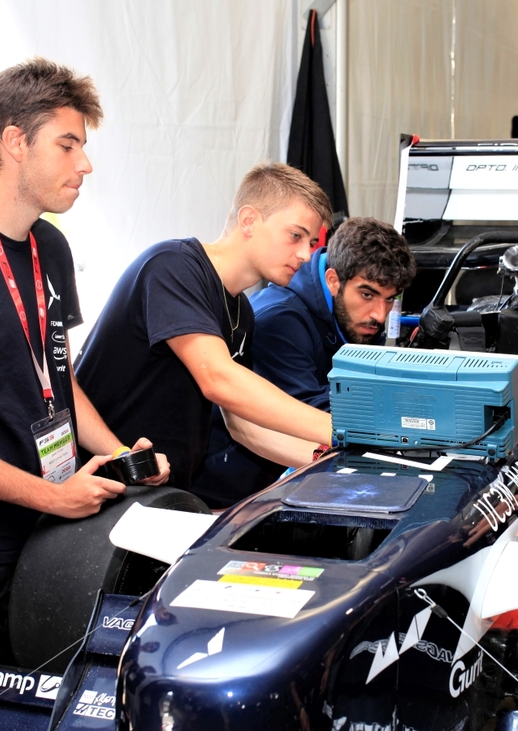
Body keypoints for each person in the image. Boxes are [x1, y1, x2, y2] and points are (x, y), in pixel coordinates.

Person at [0, 59, 168, 669]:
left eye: (84, 148)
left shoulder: (52, 246)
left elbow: (57, 378)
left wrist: (124, 454)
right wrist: (49, 494)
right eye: (67, 145)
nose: (85, 165)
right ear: (14, 142)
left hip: (58, 537)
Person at [75, 163, 335, 493]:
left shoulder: (242, 311)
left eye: (311, 242)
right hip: (103, 484)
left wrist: (327, 458)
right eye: (295, 236)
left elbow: (241, 425)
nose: (304, 254)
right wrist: (339, 428)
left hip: (163, 491)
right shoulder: (173, 266)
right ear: (249, 220)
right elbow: (217, 378)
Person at [191, 217, 417, 507]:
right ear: (333, 280)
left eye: (389, 300)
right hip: (218, 493)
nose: (379, 314)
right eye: (367, 294)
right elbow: (314, 415)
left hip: (277, 479)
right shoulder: (280, 320)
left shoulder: (350, 314)